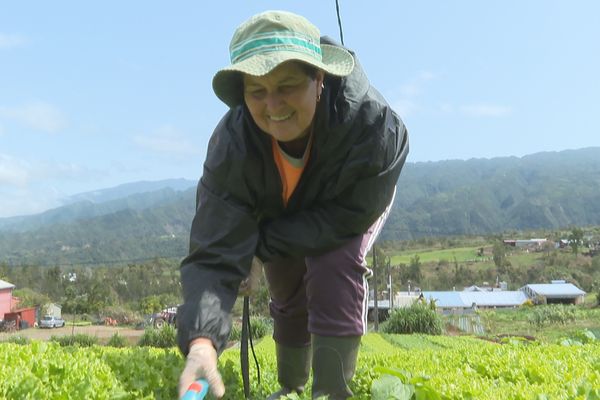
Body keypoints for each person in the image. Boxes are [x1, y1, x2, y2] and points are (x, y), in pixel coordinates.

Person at [177, 10, 409, 400]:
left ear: (319, 79)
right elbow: (213, 251)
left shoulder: (369, 124)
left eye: (287, 86)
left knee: (333, 262)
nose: (274, 105)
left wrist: (258, 244)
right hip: (283, 211)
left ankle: (332, 392)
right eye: (257, 92)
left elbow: (348, 215)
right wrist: (202, 343)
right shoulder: (232, 147)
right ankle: (291, 387)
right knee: (284, 277)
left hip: (352, 205)